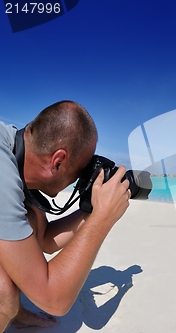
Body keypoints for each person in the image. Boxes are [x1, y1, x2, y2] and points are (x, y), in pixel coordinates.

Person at [0, 101, 131, 331]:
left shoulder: (18, 152)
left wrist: (95, 209)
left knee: (26, 228)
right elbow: (54, 299)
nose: (81, 178)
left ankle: (16, 315)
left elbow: (45, 239)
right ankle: (9, 311)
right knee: (3, 294)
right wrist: (103, 220)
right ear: (58, 161)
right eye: (82, 170)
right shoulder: (4, 174)